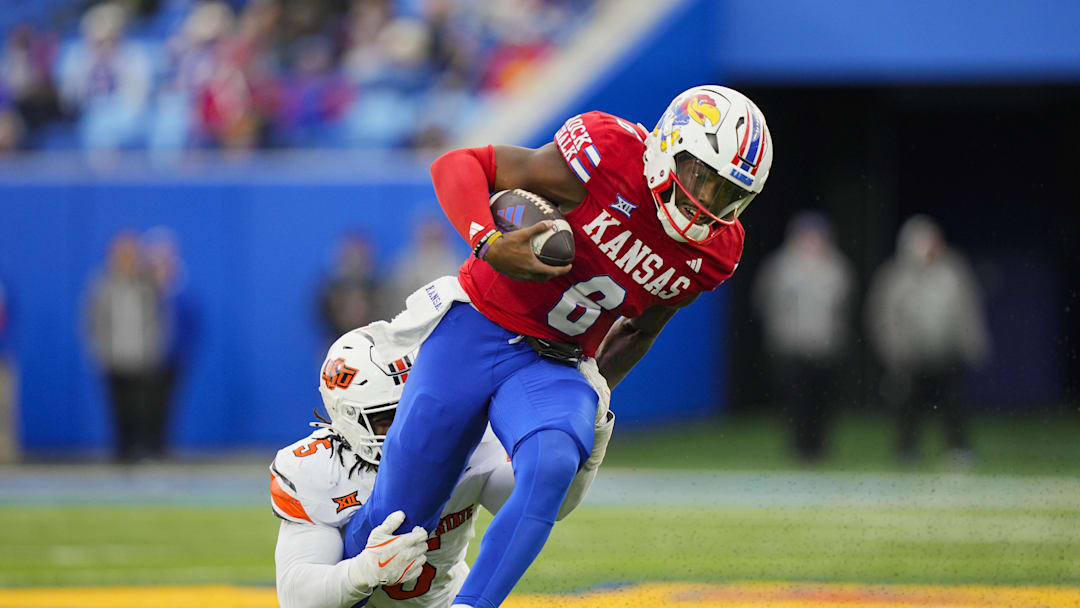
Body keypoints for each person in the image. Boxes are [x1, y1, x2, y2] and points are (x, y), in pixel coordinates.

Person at [342, 85, 773, 608]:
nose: (706, 202)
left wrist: (593, 384)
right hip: (476, 326)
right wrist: (490, 243)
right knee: (395, 522)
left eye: (727, 193)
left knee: (552, 462)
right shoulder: (606, 154)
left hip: (554, 360)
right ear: (669, 147)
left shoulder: (715, 253)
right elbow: (460, 165)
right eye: (702, 177)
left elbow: (642, 328)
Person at [272, 325, 613, 608]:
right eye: (389, 418)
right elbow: (298, 598)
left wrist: (590, 443)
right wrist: (364, 571)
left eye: (415, 408)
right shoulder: (316, 470)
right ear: (346, 416)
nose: (410, 428)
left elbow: (546, 504)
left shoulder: (467, 439)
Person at [865, 215, 991, 465]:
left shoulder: (953, 271)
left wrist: (974, 342)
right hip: (910, 357)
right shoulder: (896, 276)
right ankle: (907, 450)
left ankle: (958, 449)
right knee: (908, 406)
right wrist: (893, 350)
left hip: (947, 354)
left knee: (953, 404)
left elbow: (967, 309)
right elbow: (883, 316)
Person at [751, 212, 854, 461]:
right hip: (791, 346)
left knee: (823, 401)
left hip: (825, 347)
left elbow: (844, 304)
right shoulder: (780, 266)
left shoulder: (836, 267)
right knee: (796, 401)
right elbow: (763, 299)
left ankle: (820, 448)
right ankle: (798, 448)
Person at [84, 231, 168, 462]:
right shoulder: (103, 285)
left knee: (141, 409)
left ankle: (141, 451)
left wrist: (153, 350)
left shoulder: (145, 285)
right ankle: (122, 453)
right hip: (114, 357)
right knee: (118, 409)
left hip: (141, 358)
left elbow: (158, 320)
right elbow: (93, 320)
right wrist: (99, 351)